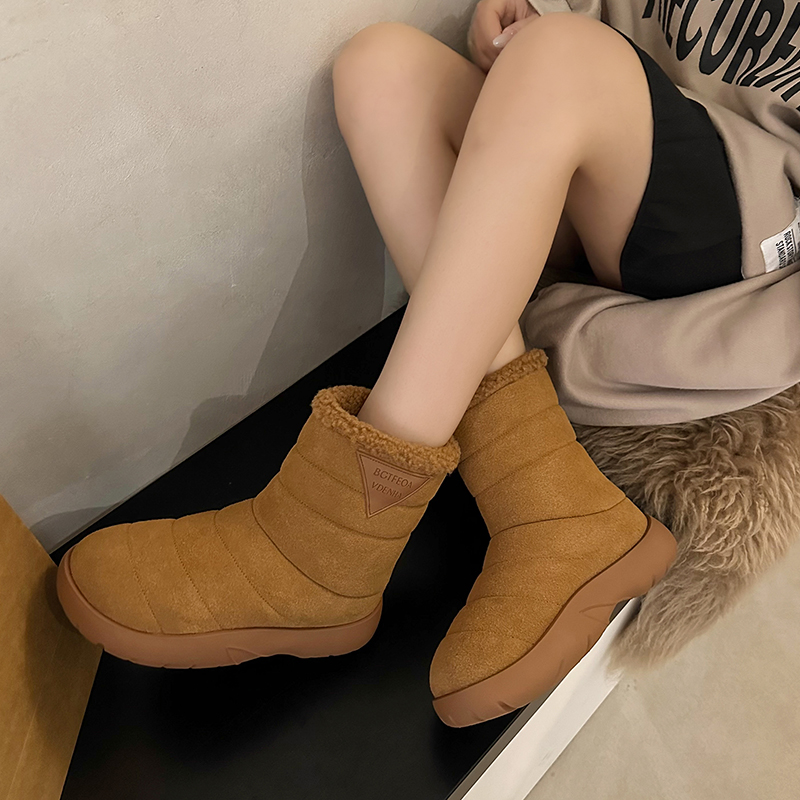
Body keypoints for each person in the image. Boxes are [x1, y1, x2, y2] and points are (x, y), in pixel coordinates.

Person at [59, 0, 795, 727]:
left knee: (562, 59)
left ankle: (324, 541)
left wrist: (560, 60)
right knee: (381, 67)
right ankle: (549, 503)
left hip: (751, 230)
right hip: (618, 143)